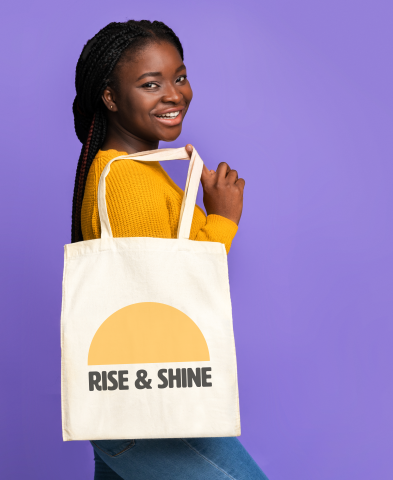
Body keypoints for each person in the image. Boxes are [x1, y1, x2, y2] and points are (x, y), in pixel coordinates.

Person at [71, 20, 268, 480]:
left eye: (179, 77)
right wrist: (222, 218)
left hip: (136, 401)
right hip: (151, 402)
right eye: (149, 84)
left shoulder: (136, 170)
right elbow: (170, 301)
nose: (174, 94)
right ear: (110, 97)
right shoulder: (125, 182)